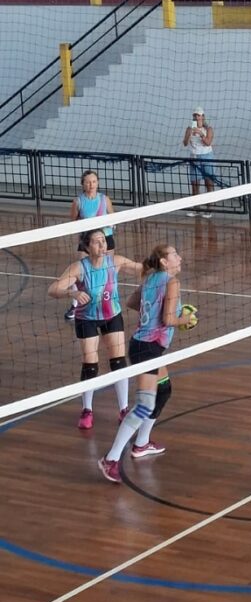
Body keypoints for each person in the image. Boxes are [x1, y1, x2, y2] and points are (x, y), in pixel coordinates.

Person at [98, 244, 195, 482]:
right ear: (164, 261)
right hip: (148, 349)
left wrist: (152, 310)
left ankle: (141, 444)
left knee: (164, 390)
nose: (179, 257)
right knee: (143, 406)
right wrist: (187, 318)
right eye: (175, 255)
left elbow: (133, 302)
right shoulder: (172, 282)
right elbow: (168, 319)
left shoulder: (151, 278)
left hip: (144, 345)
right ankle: (110, 459)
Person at [49, 229, 143, 431]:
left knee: (118, 362)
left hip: (112, 316)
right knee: (90, 365)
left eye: (104, 241)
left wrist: (160, 265)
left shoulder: (115, 262)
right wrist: (71, 293)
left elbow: (141, 269)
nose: (102, 246)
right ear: (87, 246)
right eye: (97, 242)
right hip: (87, 320)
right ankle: (87, 410)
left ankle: (124, 408)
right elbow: (53, 289)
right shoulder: (79, 268)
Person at [64, 169, 116, 321]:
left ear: (97, 183)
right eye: (88, 182)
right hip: (86, 242)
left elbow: (113, 217)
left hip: (106, 240)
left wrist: (110, 226)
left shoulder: (104, 199)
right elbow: (73, 222)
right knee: (80, 273)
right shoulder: (78, 201)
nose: (91, 184)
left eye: (94, 181)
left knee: (107, 270)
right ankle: (75, 305)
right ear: (83, 184)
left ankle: (106, 302)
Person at [182, 107, 218, 218]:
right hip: (194, 157)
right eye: (195, 115)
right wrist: (190, 134)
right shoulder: (189, 128)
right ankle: (196, 209)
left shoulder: (209, 129)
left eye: (198, 115)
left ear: (203, 116)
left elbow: (208, 143)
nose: (196, 117)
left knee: (209, 182)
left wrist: (201, 134)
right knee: (195, 183)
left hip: (207, 156)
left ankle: (209, 209)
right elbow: (185, 143)